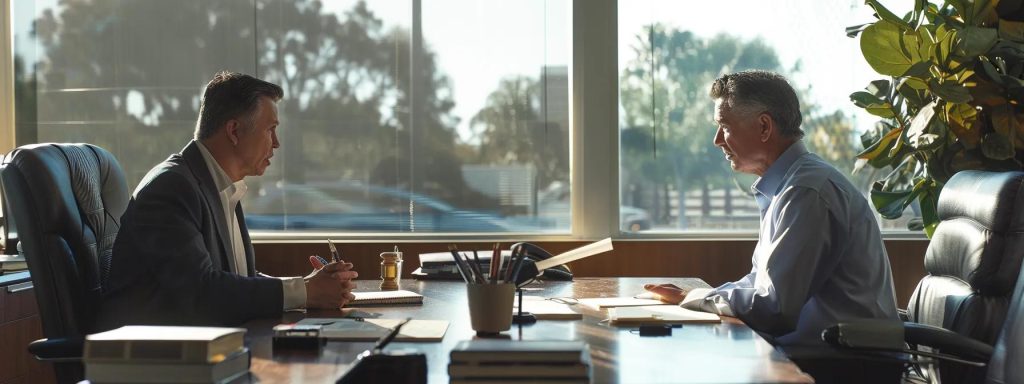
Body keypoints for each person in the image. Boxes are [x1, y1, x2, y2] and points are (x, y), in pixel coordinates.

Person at [645, 70, 899, 348]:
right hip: (818, 355)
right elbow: (761, 284)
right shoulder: (790, 185)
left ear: (765, 127)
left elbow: (773, 309)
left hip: (845, 365)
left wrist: (695, 300)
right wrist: (702, 297)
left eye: (725, 126)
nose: (717, 140)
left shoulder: (806, 191)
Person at [98, 71, 357, 328]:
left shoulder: (220, 186)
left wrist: (309, 287)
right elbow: (202, 293)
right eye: (271, 129)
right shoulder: (170, 188)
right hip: (157, 360)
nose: (276, 143)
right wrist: (304, 290)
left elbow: (237, 279)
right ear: (234, 131)